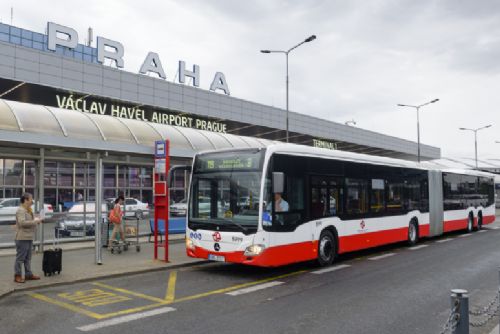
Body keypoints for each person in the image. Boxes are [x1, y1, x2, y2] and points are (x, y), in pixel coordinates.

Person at [14, 192, 42, 283]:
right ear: (25, 200)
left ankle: (28, 274)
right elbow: (22, 223)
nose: (32, 201)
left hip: (29, 237)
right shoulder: (20, 210)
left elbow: (30, 221)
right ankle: (17, 275)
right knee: (20, 258)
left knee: (28, 257)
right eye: (31, 199)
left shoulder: (28, 210)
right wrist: (34, 221)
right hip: (22, 237)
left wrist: (37, 220)